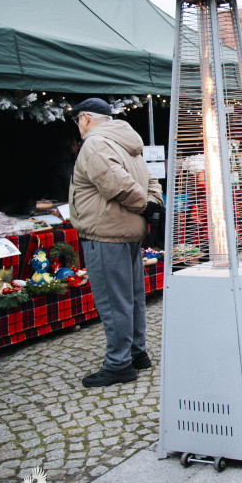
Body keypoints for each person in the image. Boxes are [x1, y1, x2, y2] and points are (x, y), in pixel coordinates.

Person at [68, 98, 163, 387]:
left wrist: (146, 207)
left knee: (114, 301)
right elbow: (151, 181)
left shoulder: (96, 144)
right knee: (131, 297)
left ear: (85, 118)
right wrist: (152, 204)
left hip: (105, 232)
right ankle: (136, 353)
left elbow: (117, 184)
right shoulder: (125, 142)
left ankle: (119, 363)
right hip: (126, 231)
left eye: (77, 121)